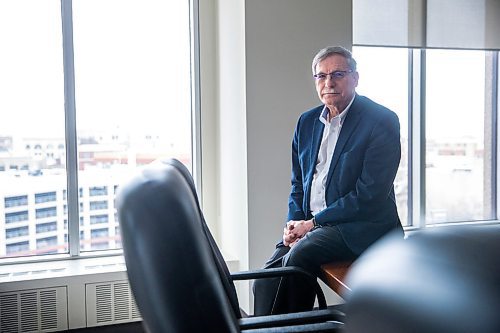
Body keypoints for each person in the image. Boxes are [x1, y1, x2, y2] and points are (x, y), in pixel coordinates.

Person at [253, 46, 404, 315]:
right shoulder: (307, 122)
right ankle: (269, 329)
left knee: (300, 258)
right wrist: (294, 223)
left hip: (361, 226)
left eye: (337, 74)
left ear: (355, 78)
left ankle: (292, 330)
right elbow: (298, 184)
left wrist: (313, 223)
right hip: (313, 226)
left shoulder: (381, 120)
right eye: (321, 76)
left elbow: (369, 195)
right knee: (266, 277)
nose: (329, 83)